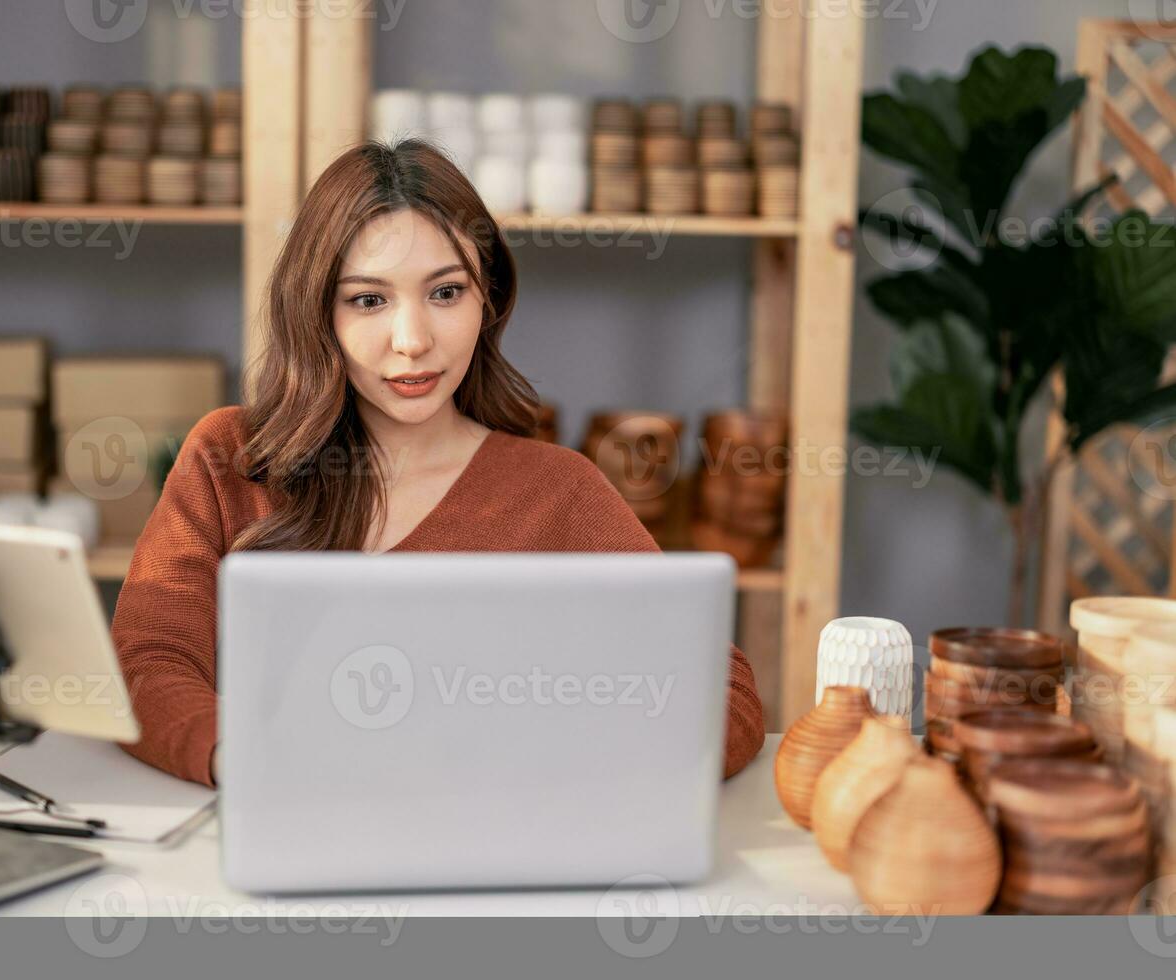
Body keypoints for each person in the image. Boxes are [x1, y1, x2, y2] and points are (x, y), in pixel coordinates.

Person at [111, 139, 765, 788]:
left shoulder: (560, 490)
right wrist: (246, 761)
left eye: (446, 292)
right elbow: (147, 663)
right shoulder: (232, 459)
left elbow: (722, 692)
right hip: (279, 835)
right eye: (369, 300)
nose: (413, 340)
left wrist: (564, 766)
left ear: (488, 300)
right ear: (317, 314)